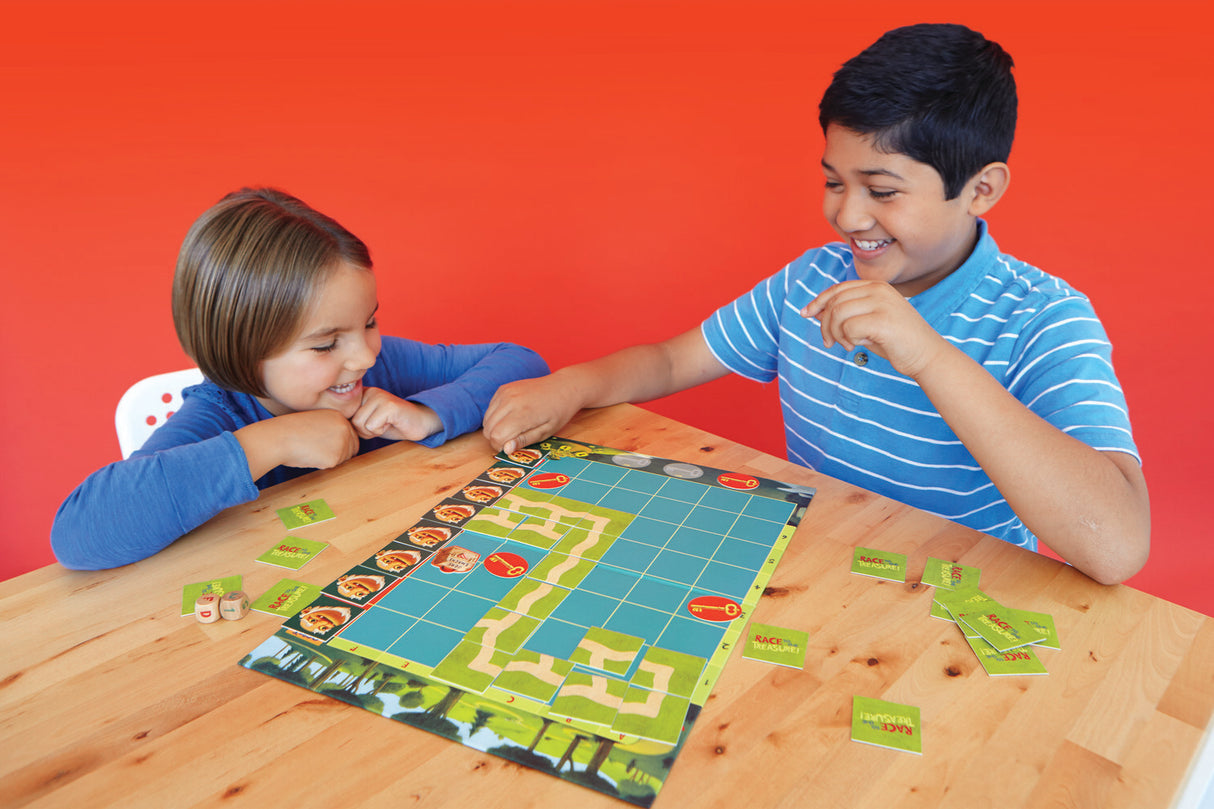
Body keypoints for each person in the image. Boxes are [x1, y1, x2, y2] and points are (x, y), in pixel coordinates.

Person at [482, 23, 1149, 585]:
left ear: (980, 189)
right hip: (819, 572)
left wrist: (927, 354)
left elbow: (1117, 546)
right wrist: (569, 385)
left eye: (882, 190)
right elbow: (666, 360)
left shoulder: (1045, 318)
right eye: (833, 181)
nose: (847, 215)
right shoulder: (810, 281)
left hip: (954, 602)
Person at [52, 188, 547, 570]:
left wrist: (426, 415)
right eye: (326, 344)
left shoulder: (380, 365)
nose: (363, 355)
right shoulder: (216, 414)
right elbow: (77, 534)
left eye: (369, 322)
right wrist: (268, 442)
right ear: (242, 354)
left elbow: (521, 362)